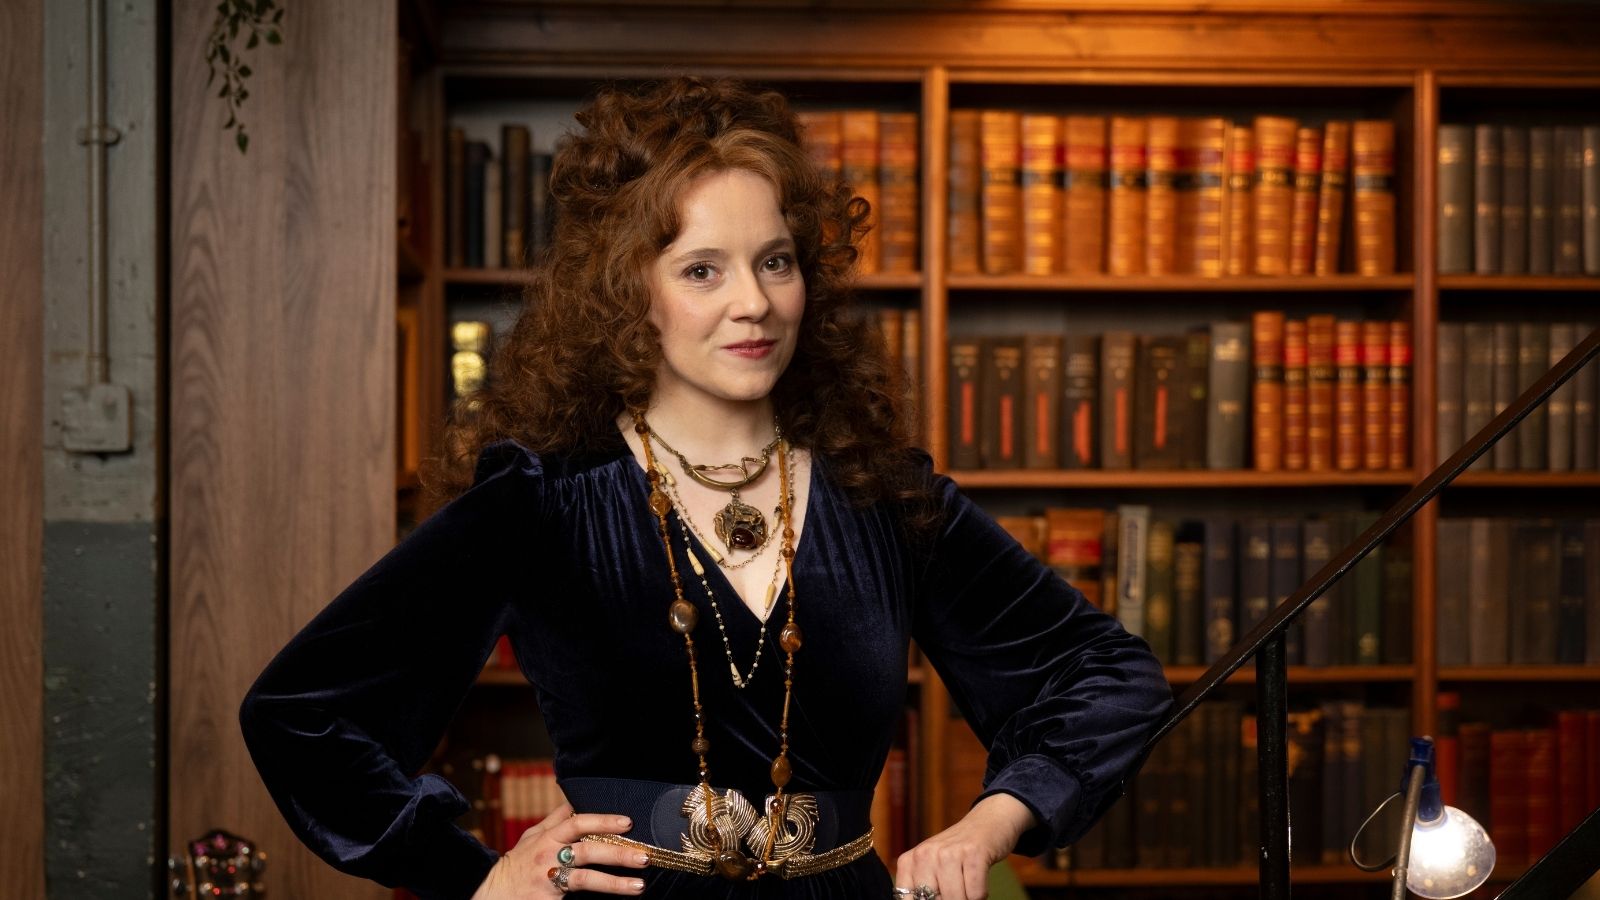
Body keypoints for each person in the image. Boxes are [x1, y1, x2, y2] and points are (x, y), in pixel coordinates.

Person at [239, 76, 1172, 900]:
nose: (754, 303)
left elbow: (1108, 676)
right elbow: (303, 717)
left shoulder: (884, 499)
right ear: (628, 291)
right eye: (702, 270)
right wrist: (474, 875)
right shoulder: (544, 502)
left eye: (776, 261)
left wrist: (991, 824)